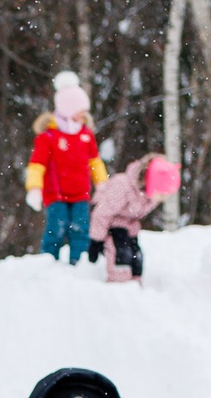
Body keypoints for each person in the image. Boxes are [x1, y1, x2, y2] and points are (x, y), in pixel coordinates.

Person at [26, 71, 107, 262]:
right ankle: (48, 261)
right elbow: (37, 165)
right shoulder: (49, 137)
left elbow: (95, 162)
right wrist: (34, 189)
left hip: (80, 194)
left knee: (80, 230)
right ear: (67, 109)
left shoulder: (85, 135)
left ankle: (79, 263)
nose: (82, 115)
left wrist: (102, 183)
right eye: (78, 110)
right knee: (56, 228)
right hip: (56, 194)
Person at [86, 154, 180, 283]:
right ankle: (118, 285)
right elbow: (101, 213)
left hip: (128, 226)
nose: (163, 199)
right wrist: (96, 240)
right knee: (121, 253)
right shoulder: (122, 186)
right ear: (151, 182)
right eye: (162, 194)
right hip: (109, 224)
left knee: (137, 257)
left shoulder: (149, 195)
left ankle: (134, 284)